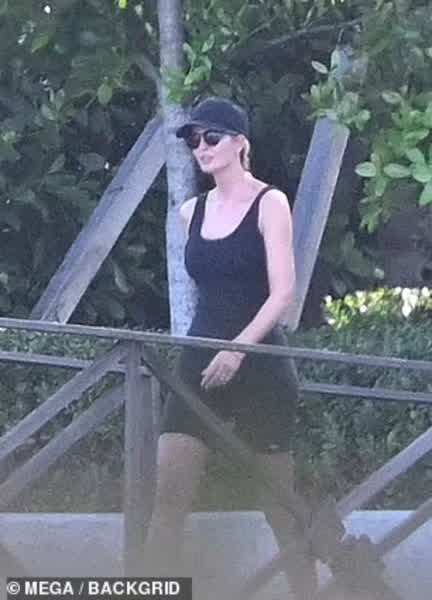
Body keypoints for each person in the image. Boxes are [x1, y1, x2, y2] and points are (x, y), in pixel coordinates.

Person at [144, 97, 317, 599]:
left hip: (260, 364)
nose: (201, 147)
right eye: (193, 139)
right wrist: (217, 351)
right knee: (167, 498)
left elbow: (282, 294)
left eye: (212, 137)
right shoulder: (189, 211)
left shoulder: (271, 203)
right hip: (199, 361)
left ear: (240, 143)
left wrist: (238, 350)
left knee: (278, 506)